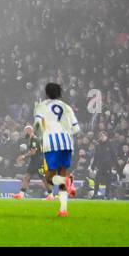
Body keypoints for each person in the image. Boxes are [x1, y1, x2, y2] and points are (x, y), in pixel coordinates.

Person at [34, 82, 80, 218]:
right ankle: (63, 210)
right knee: (62, 173)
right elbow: (76, 128)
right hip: (66, 142)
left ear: (46, 93)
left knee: (49, 178)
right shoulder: (67, 107)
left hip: (51, 143)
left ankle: (66, 181)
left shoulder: (41, 106)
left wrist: (41, 132)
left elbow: (37, 124)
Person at [13, 125, 48, 199]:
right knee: (27, 177)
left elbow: (33, 152)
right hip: (34, 161)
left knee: (43, 178)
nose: (24, 133)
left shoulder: (34, 139)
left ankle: (51, 195)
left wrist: (23, 156)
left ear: (28, 131)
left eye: (25, 132)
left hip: (38, 162)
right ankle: (21, 195)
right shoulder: (32, 139)